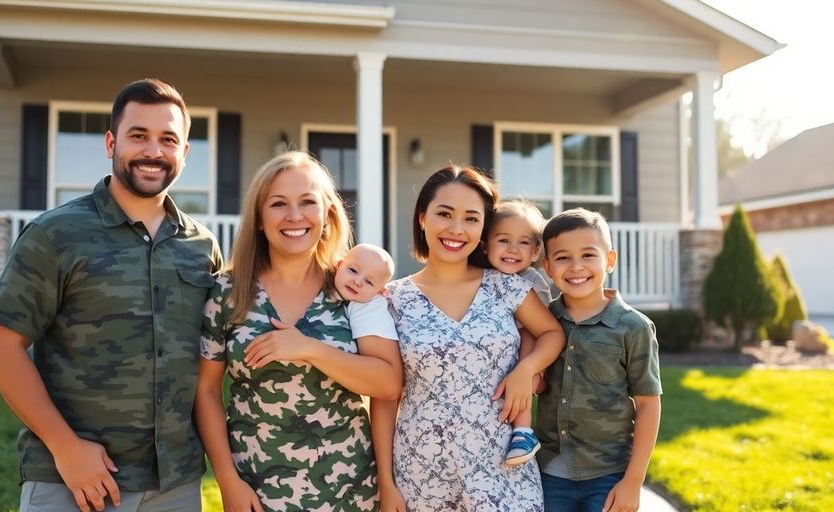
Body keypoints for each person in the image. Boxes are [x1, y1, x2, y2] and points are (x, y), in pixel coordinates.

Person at [0, 78, 222, 512]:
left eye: (168, 139)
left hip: (176, 484)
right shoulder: (55, 234)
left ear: (185, 152)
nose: (153, 151)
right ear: (111, 142)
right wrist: (65, 447)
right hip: (76, 480)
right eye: (138, 135)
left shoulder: (201, 246)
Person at [196, 151, 403, 512]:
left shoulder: (352, 289)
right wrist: (227, 481)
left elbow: (388, 385)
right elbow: (207, 391)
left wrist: (309, 348)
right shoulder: (227, 291)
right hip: (256, 489)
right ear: (260, 219)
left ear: (327, 214)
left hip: (350, 491)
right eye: (278, 203)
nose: (294, 216)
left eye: (307, 202)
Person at [372, 165, 565, 512]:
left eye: (471, 218)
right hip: (421, 473)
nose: (456, 229)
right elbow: (385, 397)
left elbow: (552, 333)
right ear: (422, 218)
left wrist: (526, 370)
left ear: (483, 228)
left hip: (502, 469)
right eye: (444, 214)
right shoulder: (392, 300)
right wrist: (386, 483)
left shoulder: (506, 286)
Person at [535, 208, 663, 512]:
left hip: (608, 474)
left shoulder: (633, 327)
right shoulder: (542, 321)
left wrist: (633, 481)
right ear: (547, 267)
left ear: (610, 260)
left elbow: (648, 404)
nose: (576, 266)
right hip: (549, 473)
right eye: (563, 257)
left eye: (588, 255)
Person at [483, 200, 553, 466]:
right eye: (503, 240)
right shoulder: (483, 277)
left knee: (527, 339)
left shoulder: (532, 281)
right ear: (485, 245)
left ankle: (523, 431)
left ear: (535, 251)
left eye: (523, 243)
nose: (513, 249)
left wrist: (530, 371)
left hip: (532, 352)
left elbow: (541, 328)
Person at [334, 243, 399, 346]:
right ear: (339, 265)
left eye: (369, 282)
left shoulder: (372, 308)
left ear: (380, 291)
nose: (357, 282)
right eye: (353, 270)